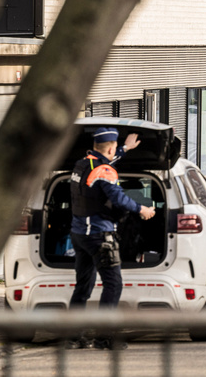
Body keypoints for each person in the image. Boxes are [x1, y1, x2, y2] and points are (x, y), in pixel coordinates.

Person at [69, 127, 155, 348]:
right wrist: (141, 209)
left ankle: (72, 336)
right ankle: (104, 337)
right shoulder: (105, 172)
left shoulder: (82, 165)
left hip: (80, 235)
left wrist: (125, 148)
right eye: (115, 148)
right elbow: (119, 199)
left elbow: (104, 163)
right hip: (99, 236)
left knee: (83, 287)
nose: (115, 151)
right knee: (113, 284)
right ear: (109, 147)